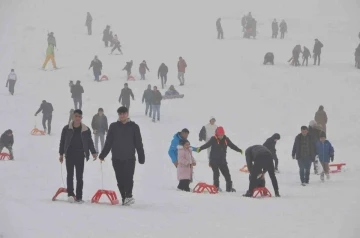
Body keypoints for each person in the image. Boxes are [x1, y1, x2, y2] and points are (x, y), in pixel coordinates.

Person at [99, 106, 145, 206]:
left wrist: (141, 156)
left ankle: (129, 195)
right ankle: (124, 198)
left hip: (129, 158)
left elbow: (138, 143)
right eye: (120, 114)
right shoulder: (113, 126)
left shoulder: (134, 127)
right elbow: (108, 142)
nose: (122, 115)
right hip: (116, 158)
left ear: (127, 114)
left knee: (128, 177)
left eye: (124, 113)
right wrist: (103, 154)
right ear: (118, 115)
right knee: (120, 179)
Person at [59, 109, 97, 203]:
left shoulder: (86, 129)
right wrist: (61, 154)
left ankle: (79, 196)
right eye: (76, 116)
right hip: (69, 155)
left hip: (80, 155)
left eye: (79, 117)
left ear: (81, 118)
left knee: (80, 176)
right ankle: (71, 194)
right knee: (70, 175)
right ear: (73, 117)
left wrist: (93, 152)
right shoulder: (66, 129)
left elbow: (89, 142)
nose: (77, 118)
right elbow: (62, 142)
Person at [197, 127, 243, 192]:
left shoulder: (226, 139)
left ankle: (229, 188)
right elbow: (207, 145)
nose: (221, 136)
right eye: (219, 135)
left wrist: (239, 150)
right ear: (217, 134)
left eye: (222, 135)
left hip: (222, 161)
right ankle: (216, 187)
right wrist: (200, 148)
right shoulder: (213, 139)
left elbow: (232, 145)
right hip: (214, 160)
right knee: (216, 174)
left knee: (227, 174)